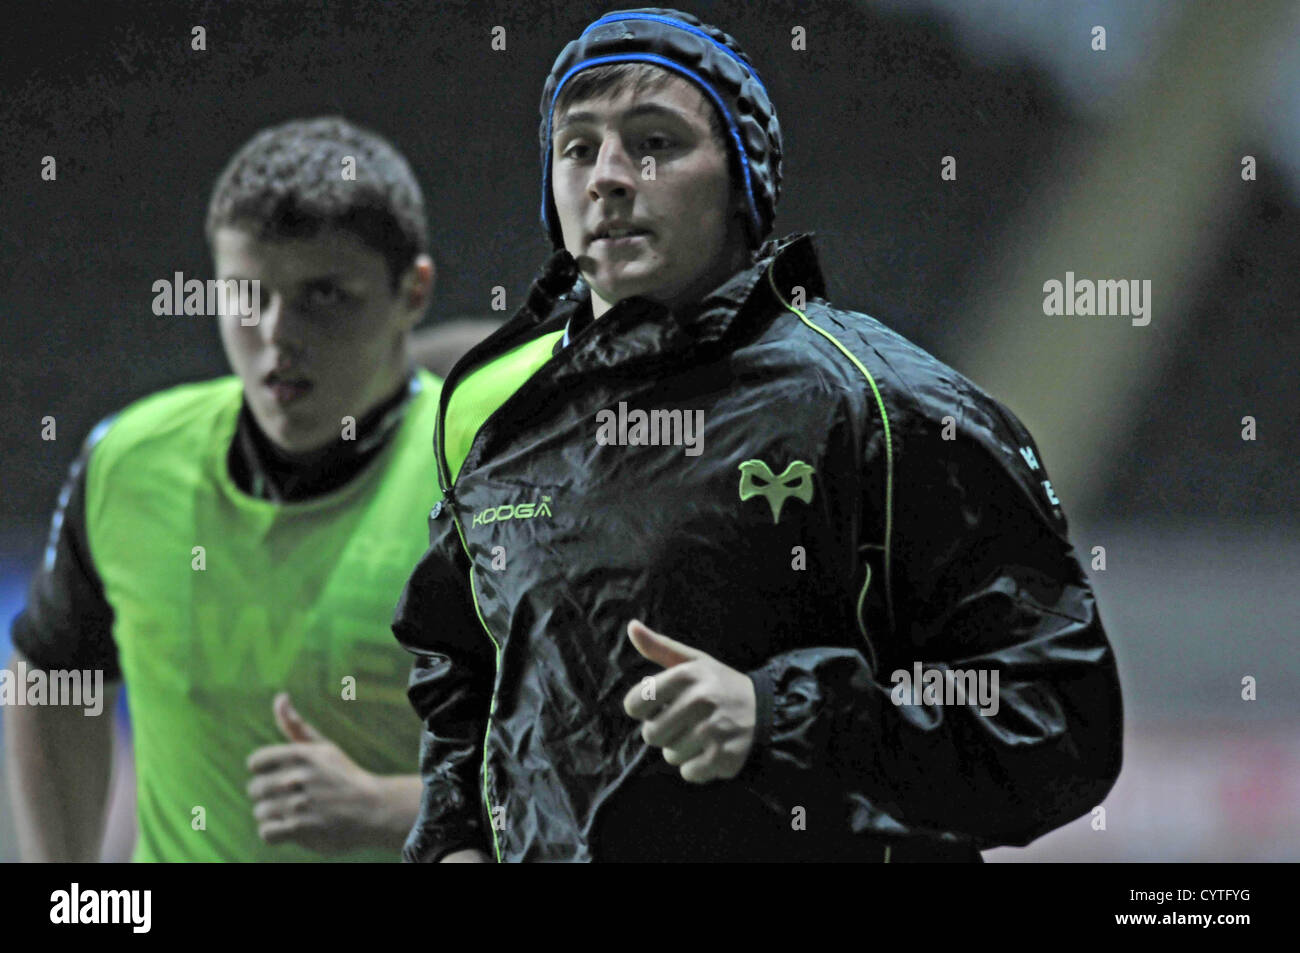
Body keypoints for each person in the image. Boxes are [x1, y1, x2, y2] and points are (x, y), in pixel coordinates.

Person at [392, 8, 1124, 863]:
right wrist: (453, 839)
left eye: (655, 142)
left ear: (744, 180)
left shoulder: (887, 407)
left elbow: (1061, 727)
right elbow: (463, 666)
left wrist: (782, 715)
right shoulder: (493, 410)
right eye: (578, 147)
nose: (608, 178)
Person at [5, 116, 494, 862]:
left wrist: (393, 807)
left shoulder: (494, 474)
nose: (275, 334)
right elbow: (53, 672)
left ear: (413, 292)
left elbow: (596, 757)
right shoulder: (130, 457)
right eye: (245, 295)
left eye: (323, 295)